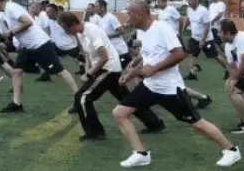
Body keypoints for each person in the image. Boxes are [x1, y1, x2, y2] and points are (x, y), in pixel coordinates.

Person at [111, 0, 241, 169]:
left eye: (129, 14)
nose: (127, 19)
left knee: (197, 124)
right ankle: (141, 154)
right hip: (150, 86)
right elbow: (148, 57)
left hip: (170, 90)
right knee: (119, 113)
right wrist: (130, 74)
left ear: (140, 14)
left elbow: (180, 54)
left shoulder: (162, 29)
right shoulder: (143, 32)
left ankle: (231, 150)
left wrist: (155, 69)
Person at [59, 10, 165, 140]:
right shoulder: (80, 33)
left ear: (74, 24)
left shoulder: (92, 31)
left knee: (82, 98)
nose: (66, 32)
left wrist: (91, 72)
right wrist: (87, 69)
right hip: (104, 68)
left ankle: (95, 132)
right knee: (126, 99)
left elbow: (104, 57)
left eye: (66, 29)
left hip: (108, 68)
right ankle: (154, 123)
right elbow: (87, 54)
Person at [0, 0, 80, 113]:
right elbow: (14, 30)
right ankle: (16, 104)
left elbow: (28, 22)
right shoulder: (5, 13)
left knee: (60, 73)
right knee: (16, 72)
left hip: (40, 44)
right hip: (27, 47)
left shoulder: (11, 7)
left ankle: (79, 100)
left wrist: (11, 32)